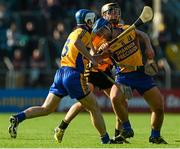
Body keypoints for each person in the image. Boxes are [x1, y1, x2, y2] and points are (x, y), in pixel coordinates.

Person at [8, 9, 112, 144]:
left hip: (61, 73)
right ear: (88, 21)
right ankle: (106, 140)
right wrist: (92, 58)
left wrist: (101, 55)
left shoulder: (76, 33)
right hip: (73, 74)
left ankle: (18, 118)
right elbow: (79, 46)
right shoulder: (84, 32)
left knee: (47, 108)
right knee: (94, 107)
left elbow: (89, 54)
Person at [99, 3, 167, 144]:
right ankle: (126, 128)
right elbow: (98, 56)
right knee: (115, 99)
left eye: (117, 11)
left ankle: (155, 136)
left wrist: (148, 48)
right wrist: (103, 50)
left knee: (159, 106)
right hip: (123, 76)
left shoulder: (127, 28)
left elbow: (144, 35)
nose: (115, 14)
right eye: (111, 12)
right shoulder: (103, 39)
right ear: (104, 15)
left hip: (141, 74)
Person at [54, 18, 130, 144]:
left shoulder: (119, 32)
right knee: (85, 102)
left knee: (120, 101)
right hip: (91, 70)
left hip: (104, 71)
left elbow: (115, 57)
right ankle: (62, 126)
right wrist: (100, 50)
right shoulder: (95, 31)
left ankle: (118, 135)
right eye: (110, 12)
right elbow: (90, 51)